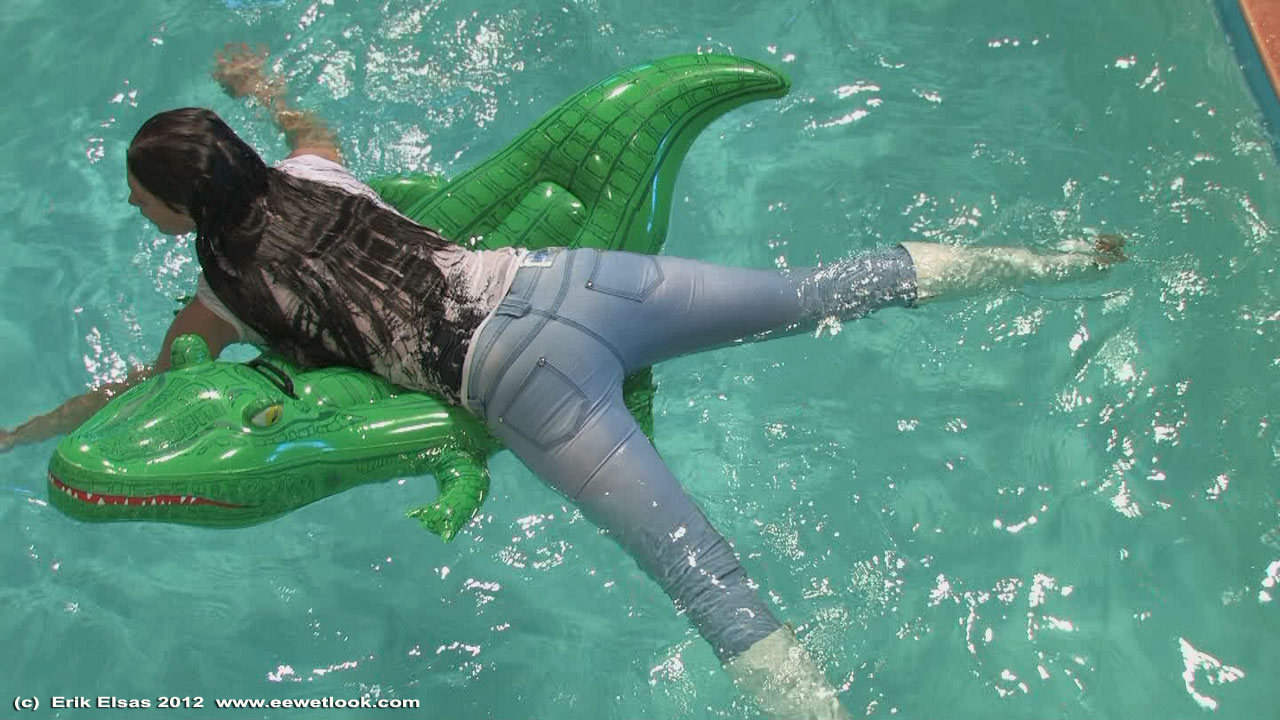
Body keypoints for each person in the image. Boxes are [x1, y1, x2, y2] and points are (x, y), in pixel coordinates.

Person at [0, 45, 1125, 719]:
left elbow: (144, 389)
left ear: (182, 207)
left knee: (707, 585)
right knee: (818, 289)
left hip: (526, 384)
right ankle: (1067, 260)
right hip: (570, 279)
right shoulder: (309, 175)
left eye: (143, 198)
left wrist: (29, 431)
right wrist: (262, 85)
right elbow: (311, 130)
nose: (136, 210)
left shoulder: (225, 293)